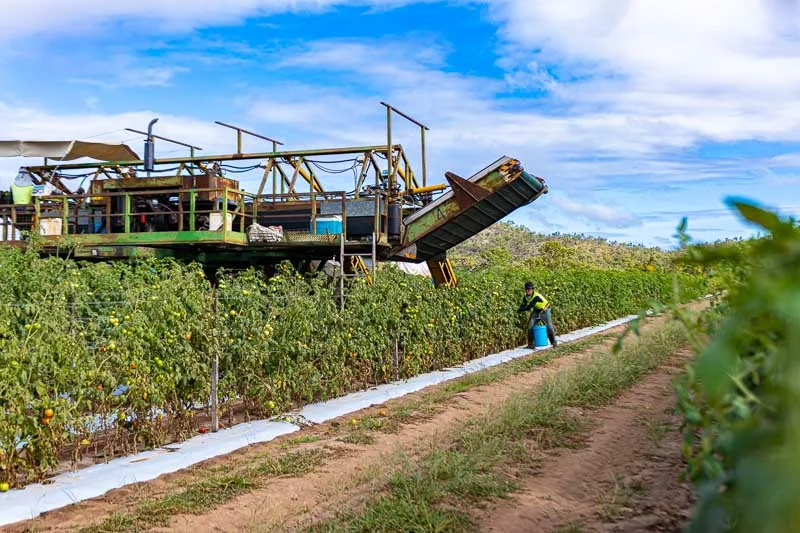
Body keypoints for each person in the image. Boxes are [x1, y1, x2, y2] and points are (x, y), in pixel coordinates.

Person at [518, 281, 557, 348]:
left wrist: (521, 309)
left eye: (529, 289)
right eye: (527, 289)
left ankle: (553, 342)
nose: (528, 291)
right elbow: (522, 305)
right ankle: (530, 344)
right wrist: (521, 308)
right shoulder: (525, 297)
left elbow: (528, 307)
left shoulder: (536, 297)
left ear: (533, 289)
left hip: (545, 309)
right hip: (536, 310)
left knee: (549, 326)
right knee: (530, 326)